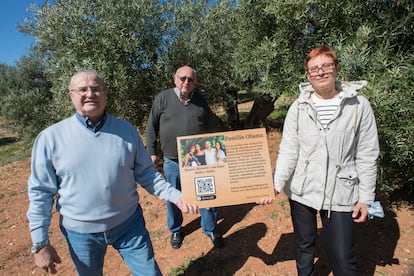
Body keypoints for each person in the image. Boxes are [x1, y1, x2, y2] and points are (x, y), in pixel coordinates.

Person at [26, 70, 198, 275]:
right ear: (71, 95)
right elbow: (40, 193)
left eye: (96, 89)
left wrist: (177, 197)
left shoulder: (126, 131)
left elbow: (147, 175)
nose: (90, 94)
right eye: (82, 89)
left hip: (129, 226)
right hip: (81, 234)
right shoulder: (50, 138)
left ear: (105, 94)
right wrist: (40, 242)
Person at [259, 46, 379, 275]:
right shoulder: (298, 107)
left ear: (336, 69)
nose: (320, 72)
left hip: (341, 191)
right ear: (308, 75)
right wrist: (275, 185)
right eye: (314, 69)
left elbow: (367, 153)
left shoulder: (359, 106)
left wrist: (366, 198)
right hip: (302, 189)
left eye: (326, 66)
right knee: (304, 245)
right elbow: (289, 149)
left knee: (343, 257)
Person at [146, 65, 224, 249]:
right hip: (172, 160)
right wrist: (152, 152)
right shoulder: (163, 98)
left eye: (190, 79)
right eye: (182, 78)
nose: (186, 82)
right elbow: (151, 126)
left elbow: (210, 125)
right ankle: (175, 230)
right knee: (173, 198)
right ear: (175, 79)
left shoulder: (200, 101)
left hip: (200, 160)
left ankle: (210, 228)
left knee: (208, 195)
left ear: (195, 83)